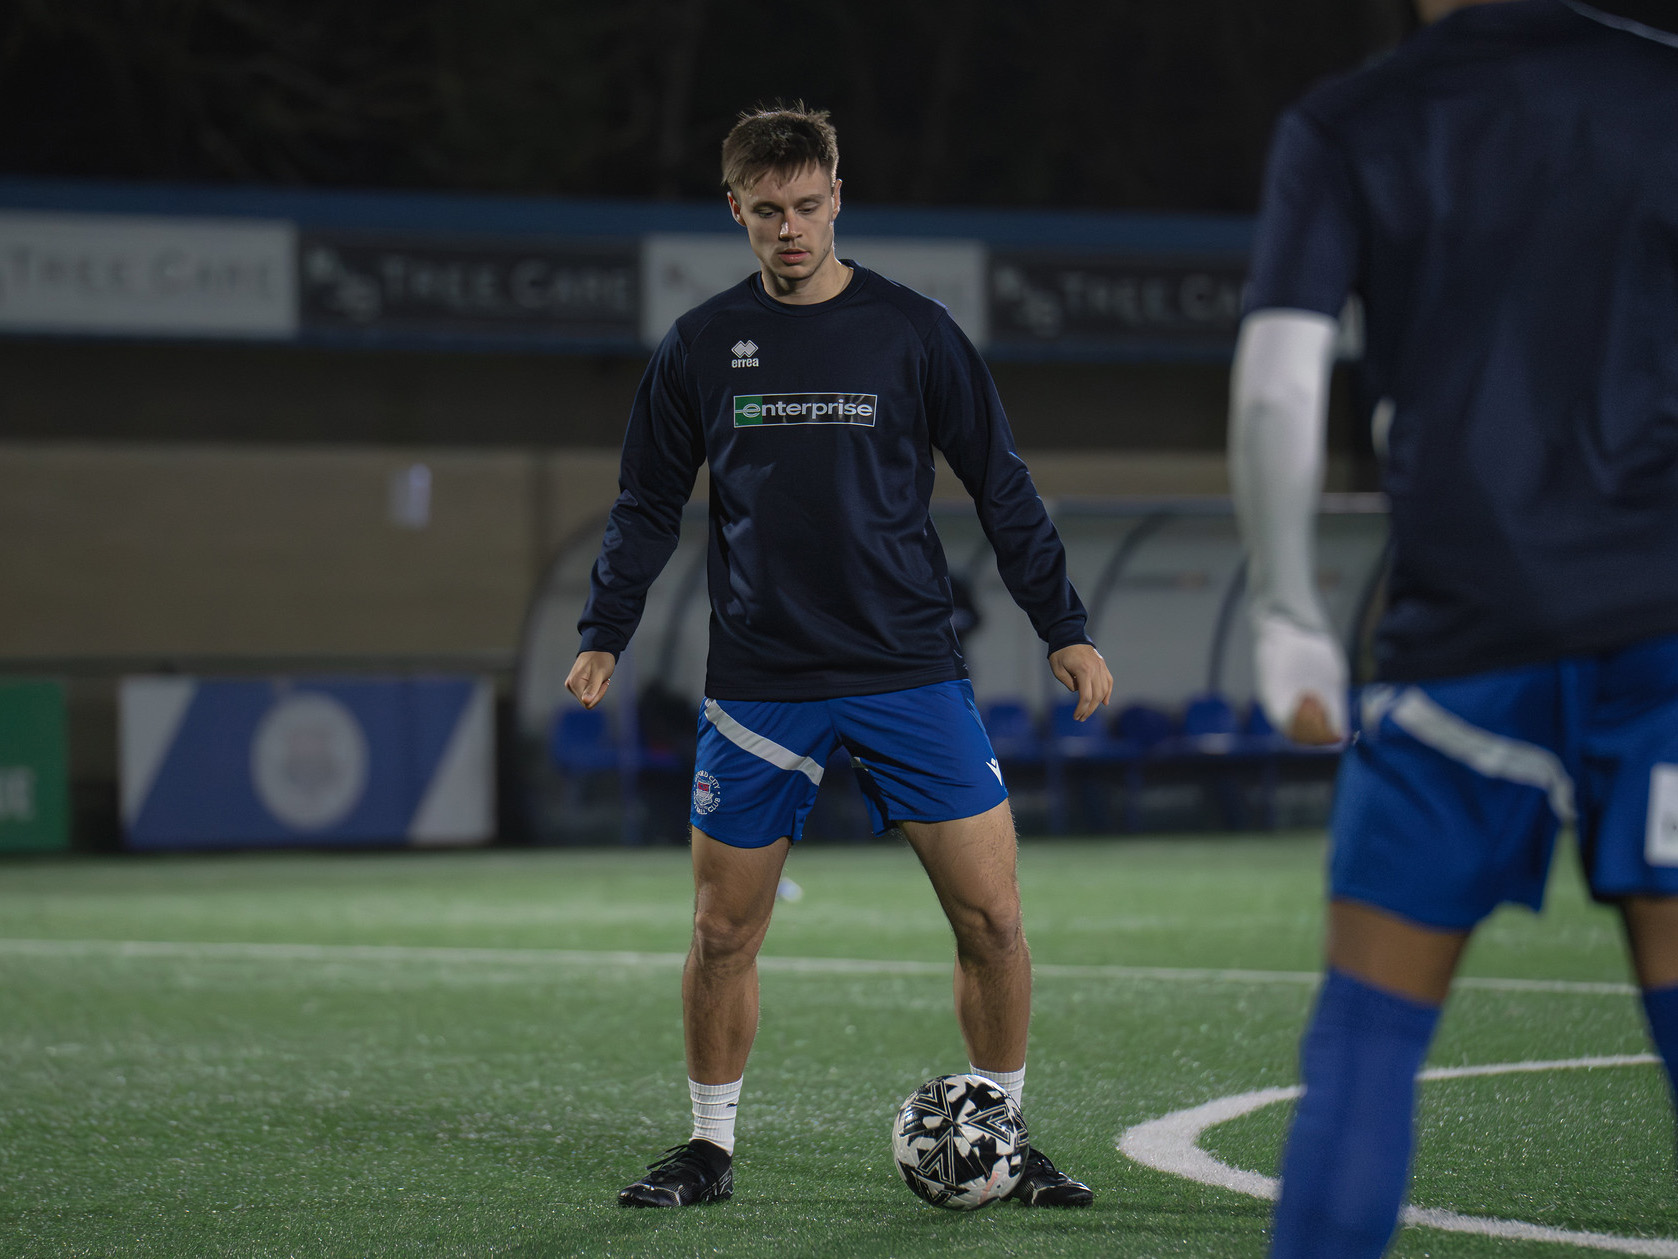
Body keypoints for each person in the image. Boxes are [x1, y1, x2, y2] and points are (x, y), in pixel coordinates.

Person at [566, 103, 1113, 1209]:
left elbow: (1000, 483)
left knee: (994, 919)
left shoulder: (914, 331)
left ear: (835, 198)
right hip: (762, 682)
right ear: (736, 210)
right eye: (766, 211)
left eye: (807, 206)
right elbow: (644, 505)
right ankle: (708, 1147)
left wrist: (1063, 624)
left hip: (910, 664)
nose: (789, 229)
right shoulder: (702, 345)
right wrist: (604, 630)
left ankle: (1002, 1133)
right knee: (723, 930)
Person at [1230, 0, 1678, 1253]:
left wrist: (1284, 607)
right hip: (1665, 634)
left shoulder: (1351, 120)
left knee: (1366, 1044)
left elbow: (1277, 379)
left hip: (1462, 637)